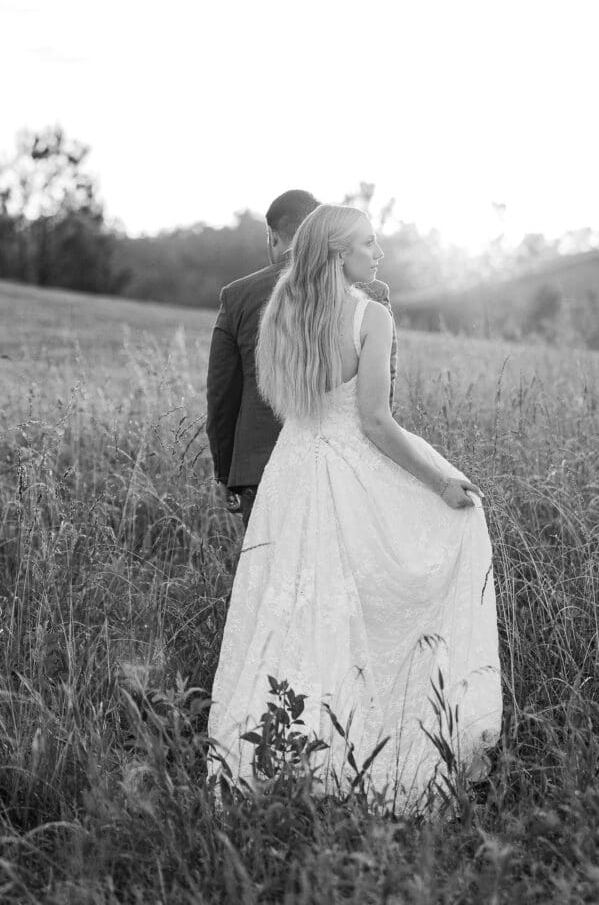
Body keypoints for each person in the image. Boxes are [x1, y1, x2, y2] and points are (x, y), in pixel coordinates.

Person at [207, 204, 502, 815]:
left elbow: (285, 404)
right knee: (374, 593)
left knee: (290, 610)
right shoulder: (371, 316)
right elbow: (374, 421)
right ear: (340, 253)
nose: (379, 253)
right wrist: (440, 481)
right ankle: (362, 747)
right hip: (348, 474)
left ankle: (281, 754)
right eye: (369, 243)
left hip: (290, 472)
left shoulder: (281, 309)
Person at [206, 189, 397, 529]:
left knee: (270, 562)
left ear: (273, 236)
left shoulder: (237, 296)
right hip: (347, 466)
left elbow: (222, 396)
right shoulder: (370, 291)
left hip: (259, 468)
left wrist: (225, 473)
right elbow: (384, 388)